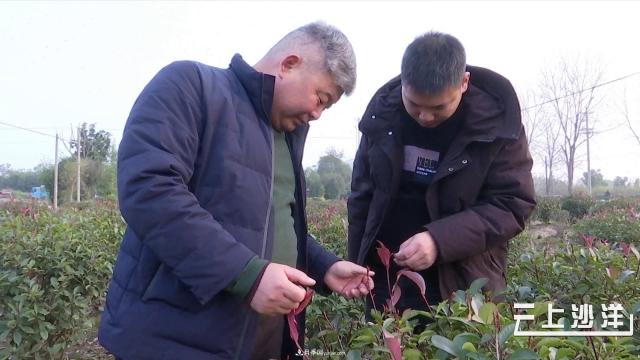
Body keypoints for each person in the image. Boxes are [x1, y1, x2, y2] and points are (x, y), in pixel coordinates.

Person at [98, 22, 374, 360]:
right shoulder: (192, 87)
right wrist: (248, 276)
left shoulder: (286, 138)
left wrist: (325, 266)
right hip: (173, 338)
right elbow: (149, 190)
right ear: (289, 65)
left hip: (255, 342)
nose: (317, 114)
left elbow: (268, 220)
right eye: (321, 98)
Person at [347, 31, 535, 317]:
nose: (425, 117)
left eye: (438, 108)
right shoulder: (381, 119)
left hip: (462, 286)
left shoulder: (496, 128)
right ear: (402, 83)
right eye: (414, 105)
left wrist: (438, 240)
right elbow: (362, 197)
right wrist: (357, 264)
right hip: (386, 280)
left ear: (464, 83)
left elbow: (512, 204)